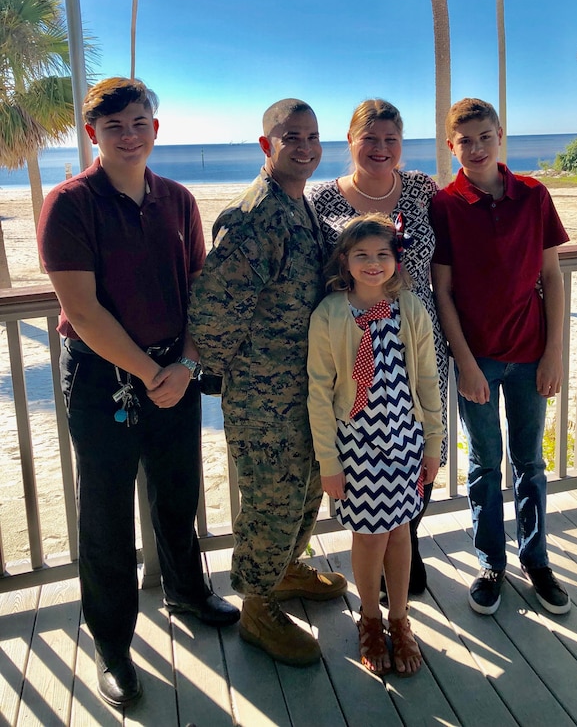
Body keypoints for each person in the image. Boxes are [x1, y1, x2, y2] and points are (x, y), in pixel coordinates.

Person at [36, 78, 239, 710]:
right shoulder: (70, 204)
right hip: (106, 381)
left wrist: (184, 363)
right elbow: (83, 311)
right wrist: (154, 376)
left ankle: (184, 589)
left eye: (139, 122)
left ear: (157, 128)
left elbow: (201, 291)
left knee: (177, 493)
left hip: (174, 370)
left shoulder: (178, 201)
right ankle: (113, 644)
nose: (129, 135)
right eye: (115, 125)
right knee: (106, 514)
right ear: (93, 133)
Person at [188, 98, 347, 668]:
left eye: (312, 136)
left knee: (304, 489)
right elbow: (213, 314)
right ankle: (257, 607)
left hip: (305, 387)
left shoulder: (297, 206)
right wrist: (231, 378)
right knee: (270, 499)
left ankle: (282, 573)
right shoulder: (255, 216)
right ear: (266, 145)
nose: (303, 147)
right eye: (290, 137)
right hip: (265, 395)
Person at [430, 98, 571, 616]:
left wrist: (554, 353)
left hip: (533, 355)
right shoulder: (445, 205)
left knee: (530, 462)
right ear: (452, 145)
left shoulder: (533, 195)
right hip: (479, 360)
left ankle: (536, 559)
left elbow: (551, 277)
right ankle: (492, 562)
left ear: (500, 136)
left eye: (485, 136)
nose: (476, 147)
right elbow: (442, 291)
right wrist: (464, 362)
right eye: (464, 140)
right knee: (486, 464)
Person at [307, 99, 447, 595]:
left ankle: (404, 547)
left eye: (391, 139)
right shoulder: (322, 198)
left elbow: (449, 260)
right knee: (367, 470)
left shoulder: (421, 189)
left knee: (419, 452)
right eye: (370, 139)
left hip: (416, 334)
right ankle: (379, 578)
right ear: (350, 142)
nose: (381, 148)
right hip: (351, 339)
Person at [307, 213, 443, 677]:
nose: (372, 263)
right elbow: (320, 393)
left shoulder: (409, 309)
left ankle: (400, 617)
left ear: (395, 260)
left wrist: (433, 444)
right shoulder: (330, 314)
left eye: (382, 254)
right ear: (345, 261)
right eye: (361, 254)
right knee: (369, 536)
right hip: (356, 443)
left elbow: (427, 380)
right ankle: (369, 617)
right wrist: (330, 460)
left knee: (401, 530)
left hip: (404, 437)